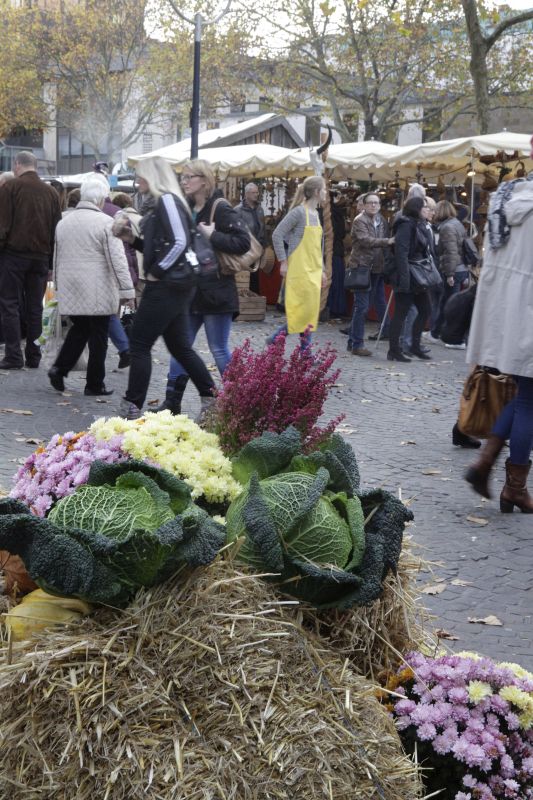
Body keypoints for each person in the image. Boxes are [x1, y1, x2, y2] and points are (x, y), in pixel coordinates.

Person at [113, 155, 217, 421]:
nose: (137, 181)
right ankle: (212, 398)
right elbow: (163, 245)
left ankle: (132, 405)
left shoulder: (167, 200)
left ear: (151, 176)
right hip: (176, 284)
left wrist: (157, 272)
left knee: (139, 343)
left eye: (140, 175)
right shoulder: (166, 201)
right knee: (179, 346)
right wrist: (132, 239)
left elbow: (179, 242)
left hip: (167, 285)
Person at [155, 159, 250, 414]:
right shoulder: (186, 208)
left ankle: (237, 403)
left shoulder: (221, 208)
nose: (184, 181)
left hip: (216, 291)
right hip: (190, 292)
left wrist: (212, 235)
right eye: (183, 177)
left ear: (204, 180)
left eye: (189, 177)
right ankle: (172, 402)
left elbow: (243, 243)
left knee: (218, 348)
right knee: (181, 347)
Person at [464, 173, 533, 513]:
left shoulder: (506, 194)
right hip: (528, 311)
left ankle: (485, 462)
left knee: (524, 397)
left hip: (507, 313)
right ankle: (514, 488)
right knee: (529, 402)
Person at [48, 178, 135, 395]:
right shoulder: (106, 222)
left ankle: (60, 368)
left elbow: (56, 257)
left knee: (80, 328)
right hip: (98, 288)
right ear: (100, 199)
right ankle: (95, 384)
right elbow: (117, 260)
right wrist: (127, 290)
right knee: (99, 336)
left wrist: (58, 286)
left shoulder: (63, 222)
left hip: (71, 286)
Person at [0, 151, 62, 369]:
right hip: (41, 258)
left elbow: (3, 226)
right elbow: (56, 231)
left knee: (10, 304)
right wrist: (52, 263)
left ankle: (13, 355)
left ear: (17, 165)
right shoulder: (51, 193)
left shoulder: (10, 187)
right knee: (35, 307)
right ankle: (34, 356)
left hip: (13, 255)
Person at [270, 176, 327, 349]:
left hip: (313, 270)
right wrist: (283, 261)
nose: (326, 192)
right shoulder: (299, 212)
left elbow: (317, 248)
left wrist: (323, 270)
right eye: (324, 189)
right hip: (299, 270)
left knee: (308, 312)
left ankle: (281, 342)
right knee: (302, 312)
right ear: (316, 192)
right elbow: (277, 234)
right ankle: (297, 349)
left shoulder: (315, 214)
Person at [346, 192, 394, 356]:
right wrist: (387, 241)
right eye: (370, 203)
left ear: (379, 205)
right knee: (362, 307)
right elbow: (365, 240)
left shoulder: (381, 220)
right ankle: (357, 344)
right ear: (364, 205)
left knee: (366, 305)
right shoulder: (359, 220)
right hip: (362, 268)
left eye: (376, 203)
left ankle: (352, 341)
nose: (373, 205)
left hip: (376, 269)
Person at [387, 196, 434, 363]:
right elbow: (401, 253)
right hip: (407, 274)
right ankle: (394, 350)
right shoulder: (406, 225)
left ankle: (415, 345)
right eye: (425, 207)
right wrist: (404, 279)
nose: (428, 210)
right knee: (401, 313)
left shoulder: (419, 224)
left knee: (425, 309)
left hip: (417, 274)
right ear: (416, 209)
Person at [428, 200, 469, 348]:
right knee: (447, 302)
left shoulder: (447, 227)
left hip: (453, 270)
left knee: (450, 305)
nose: (433, 213)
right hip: (460, 269)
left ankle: (454, 338)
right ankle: (436, 333)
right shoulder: (457, 224)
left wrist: (450, 274)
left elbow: (451, 252)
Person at [401, 196, 436, 355]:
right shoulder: (410, 225)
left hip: (421, 272)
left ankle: (412, 343)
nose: (431, 211)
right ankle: (407, 343)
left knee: (421, 310)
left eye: (431, 208)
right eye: (427, 208)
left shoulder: (425, 225)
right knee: (413, 310)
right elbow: (405, 252)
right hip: (414, 272)